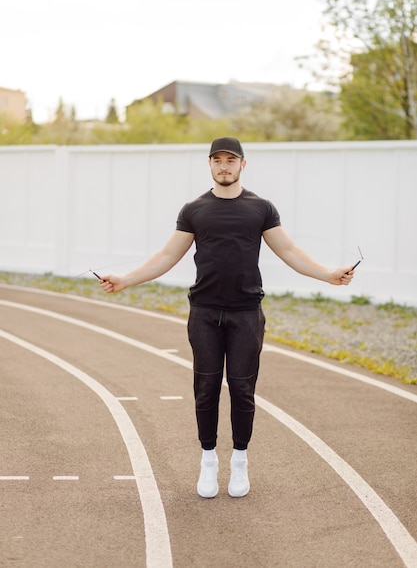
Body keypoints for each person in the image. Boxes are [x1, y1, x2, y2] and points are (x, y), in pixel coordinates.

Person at [99, 136, 355, 499]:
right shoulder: (194, 210)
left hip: (247, 313)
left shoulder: (261, 208)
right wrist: (125, 280)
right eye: (217, 160)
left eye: (230, 160)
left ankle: (239, 461)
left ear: (242, 165)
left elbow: (289, 250)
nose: (224, 166)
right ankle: (207, 462)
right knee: (205, 389)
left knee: (242, 389)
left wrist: (328, 274)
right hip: (203, 313)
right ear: (209, 164)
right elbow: (166, 256)